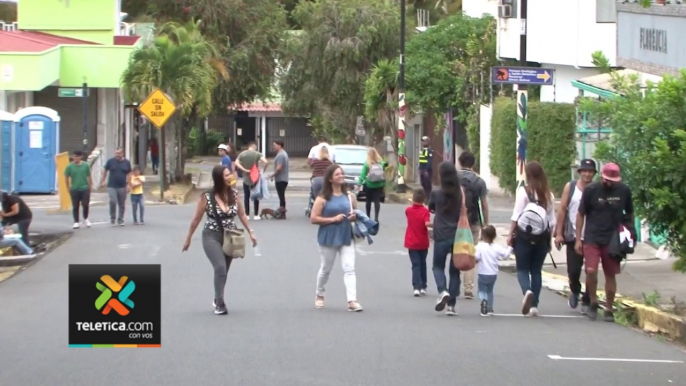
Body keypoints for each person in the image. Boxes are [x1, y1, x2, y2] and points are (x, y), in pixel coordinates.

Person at [182, 165, 257, 315]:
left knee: (224, 271)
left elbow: (242, 215)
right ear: (218, 178)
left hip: (230, 236)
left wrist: (251, 232)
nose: (230, 177)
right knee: (220, 267)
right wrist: (188, 238)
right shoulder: (206, 197)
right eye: (226, 175)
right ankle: (220, 303)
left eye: (230, 174)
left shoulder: (235, 194)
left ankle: (217, 297)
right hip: (211, 235)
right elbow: (196, 219)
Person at [575, 162, 634, 323]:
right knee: (591, 270)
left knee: (611, 274)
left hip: (613, 239)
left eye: (613, 180)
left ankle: (609, 308)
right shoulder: (591, 191)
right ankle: (593, 301)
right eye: (607, 179)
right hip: (592, 237)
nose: (610, 183)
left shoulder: (624, 190)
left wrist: (630, 234)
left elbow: (630, 213)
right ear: (601, 176)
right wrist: (578, 238)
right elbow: (581, 214)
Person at [310, 164, 363, 312]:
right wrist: (332, 219)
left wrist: (353, 217)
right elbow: (314, 218)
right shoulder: (322, 198)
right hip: (328, 237)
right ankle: (319, 294)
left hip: (347, 236)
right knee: (326, 269)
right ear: (330, 179)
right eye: (337, 174)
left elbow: (355, 214)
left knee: (349, 268)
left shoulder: (349, 196)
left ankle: (352, 300)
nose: (341, 176)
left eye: (342, 174)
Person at [507, 161, 556, 317]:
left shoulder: (524, 192)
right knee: (536, 270)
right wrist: (549, 241)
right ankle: (534, 306)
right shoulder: (549, 195)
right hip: (541, 237)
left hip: (523, 236)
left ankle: (526, 291)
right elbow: (551, 221)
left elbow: (516, 215)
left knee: (522, 269)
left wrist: (510, 235)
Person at [554, 159, 596, 314]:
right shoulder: (570, 187)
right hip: (572, 235)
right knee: (573, 270)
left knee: (591, 271)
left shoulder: (597, 189)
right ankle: (575, 289)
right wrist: (559, 233)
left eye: (590, 171)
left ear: (594, 174)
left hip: (592, 237)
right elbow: (562, 209)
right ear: (579, 172)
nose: (587, 174)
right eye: (584, 171)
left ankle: (587, 299)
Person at [428, 162, 463, 316]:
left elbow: (431, 208)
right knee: (454, 272)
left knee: (437, 266)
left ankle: (443, 291)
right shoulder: (460, 192)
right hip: (457, 235)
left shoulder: (436, 193)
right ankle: (452, 306)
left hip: (441, 234)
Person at [457, 150, 489, 299]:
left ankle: (453, 283)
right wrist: (485, 225)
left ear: (459, 162)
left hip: (455, 221)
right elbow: (484, 205)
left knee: (455, 251)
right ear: (473, 164)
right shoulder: (479, 182)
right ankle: (468, 288)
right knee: (470, 253)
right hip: (473, 221)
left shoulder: (453, 178)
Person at [475, 225, 512, 316]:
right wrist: (510, 247)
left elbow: (476, 258)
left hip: (483, 272)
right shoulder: (497, 247)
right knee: (490, 291)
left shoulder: (480, 246)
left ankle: (483, 300)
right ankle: (490, 308)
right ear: (494, 236)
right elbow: (506, 255)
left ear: (483, 236)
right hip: (493, 273)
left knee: (481, 290)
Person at [404, 189, 431, 297]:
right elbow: (427, 224)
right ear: (424, 200)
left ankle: (416, 286)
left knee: (415, 264)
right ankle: (423, 286)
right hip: (423, 241)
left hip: (411, 241)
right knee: (423, 263)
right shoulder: (425, 211)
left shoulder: (408, 210)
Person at [235, 142, 269, 220]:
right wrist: (262, 171)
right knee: (256, 195)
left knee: (246, 196)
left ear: (248, 147)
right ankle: (256, 215)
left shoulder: (242, 154)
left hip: (246, 178)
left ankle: (247, 214)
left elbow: (236, 163)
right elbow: (266, 162)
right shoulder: (257, 154)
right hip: (255, 178)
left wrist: (245, 170)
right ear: (255, 147)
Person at [101, 147, 132, 226]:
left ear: (122, 154)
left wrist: (129, 185)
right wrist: (103, 180)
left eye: (119, 153)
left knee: (121, 203)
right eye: (116, 153)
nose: (117, 155)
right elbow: (105, 170)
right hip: (112, 186)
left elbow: (129, 174)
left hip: (122, 186)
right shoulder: (110, 161)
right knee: (113, 201)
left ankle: (120, 219)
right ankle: (112, 218)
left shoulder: (126, 162)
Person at [357, 148, 387, 223]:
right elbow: (384, 172)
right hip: (378, 185)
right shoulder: (381, 163)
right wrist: (384, 184)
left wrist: (359, 183)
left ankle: (368, 216)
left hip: (369, 184)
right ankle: (376, 217)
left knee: (368, 201)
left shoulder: (367, 163)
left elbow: (363, 175)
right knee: (377, 201)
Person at [64, 150, 92, 229]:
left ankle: (86, 219)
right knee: (75, 206)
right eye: (74, 156)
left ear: (81, 157)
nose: (75, 158)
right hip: (74, 188)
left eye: (77, 156)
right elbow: (66, 178)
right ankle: (76, 221)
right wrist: (68, 187)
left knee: (85, 204)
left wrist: (90, 186)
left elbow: (89, 176)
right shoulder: (69, 166)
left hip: (84, 188)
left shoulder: (86, 165)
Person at [269, 140, 290, 212]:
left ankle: (282, 210)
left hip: (280, 179)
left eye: (275, 145)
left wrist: (272, 175)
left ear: (279, 145)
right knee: (281, 196)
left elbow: (279, 168)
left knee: (281, 196)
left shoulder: (280, 155)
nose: (273, 147)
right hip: (284, 178)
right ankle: (282, 210)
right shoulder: (284, 153)